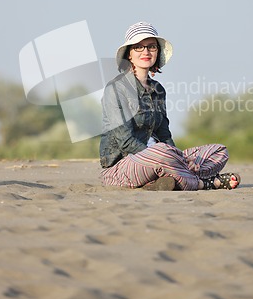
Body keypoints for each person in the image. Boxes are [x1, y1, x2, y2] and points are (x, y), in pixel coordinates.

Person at [100, 22, 241, 191]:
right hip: (124, 167)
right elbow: (126, 142)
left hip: (164, 158)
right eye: (138, 47)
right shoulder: (116, 88)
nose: (145, 52)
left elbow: (164, 135)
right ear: (129, 54)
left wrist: (183, 157)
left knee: (219, 151)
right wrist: (175, 158)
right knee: (162, 152)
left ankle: (166, 179)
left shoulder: (158, 90)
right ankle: (208, 183)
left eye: (151, 47)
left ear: (157, 52)